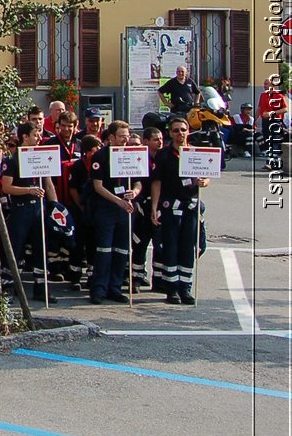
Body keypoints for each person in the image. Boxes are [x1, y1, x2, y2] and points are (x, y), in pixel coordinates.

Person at [150, 117, 208, 305]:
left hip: (190, 207)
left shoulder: (195, 153)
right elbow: (156, 182)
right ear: (170, 133)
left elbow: (208, 176)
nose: (180, 133)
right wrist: (154, 207)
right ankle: (172, 290)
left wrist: (203, 182)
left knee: (187, 249)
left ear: (188, 131)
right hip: (170, 207)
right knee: (171, 248)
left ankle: (185, 288)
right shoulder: (163, 155)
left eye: (183, 130)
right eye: (175, 130)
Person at [1, 122, 59, 304]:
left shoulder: (42, 155)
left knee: (41, 248)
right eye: (35, 135)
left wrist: (55, 206)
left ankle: (41, 289)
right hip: (21, 209)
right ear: (25, 137)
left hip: (39, 209)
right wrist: (29, 190)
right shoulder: (13, 159)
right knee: (15, 248)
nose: (39, 138)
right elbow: (6, 187)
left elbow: (48, 183)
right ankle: (8, 288)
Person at [86, 120, 139, 304]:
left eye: (127, 136)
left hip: (125, 209)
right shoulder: (100, 156)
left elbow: (139, 181)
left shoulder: (132, 155)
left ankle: (114, 287)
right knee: (104, 250)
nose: (125, 140)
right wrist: (118, 201)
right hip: (107, 208)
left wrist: (135, 192)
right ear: (111, 137)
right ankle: (98, 289)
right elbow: (97, 186)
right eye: (122, 136)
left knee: (122, 250)